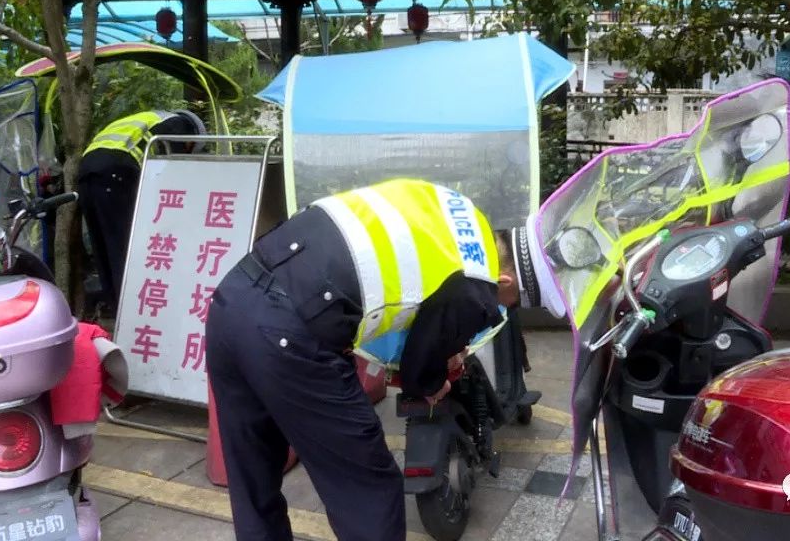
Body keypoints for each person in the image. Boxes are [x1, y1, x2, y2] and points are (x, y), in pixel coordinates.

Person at [205, 178, 557, 541]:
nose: (498, 309)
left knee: (253, 478)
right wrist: (436, 382)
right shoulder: (477, 285)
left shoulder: (463, 214)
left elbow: (399, 279)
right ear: (504, 280)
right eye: (507, 304)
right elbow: (420, 371)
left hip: (231, 302)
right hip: (290, 334)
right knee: (370, 491)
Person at [77, 109, 206, 311]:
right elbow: (173, 173)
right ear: (193, 139)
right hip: (116, 171)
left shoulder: (147, 119)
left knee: (102, 246)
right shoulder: (180, 125)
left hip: (87, 170)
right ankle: (131, 311)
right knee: (125, 247)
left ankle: (115, 308)